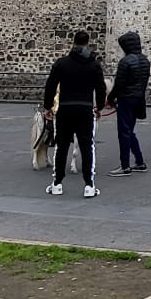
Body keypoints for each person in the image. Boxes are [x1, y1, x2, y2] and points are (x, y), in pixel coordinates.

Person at [43, 29, 108, 197]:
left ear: (73, 42)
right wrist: (99, 107)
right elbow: (101, 88)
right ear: (87, 43)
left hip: (65, 108)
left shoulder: (61, 63)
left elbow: (50, 86)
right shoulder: (94, 65)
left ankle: (57, 183)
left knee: (62, 146)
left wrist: (48, 106)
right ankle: (89, 185)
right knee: (87, 147)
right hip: (85, 109)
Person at [110, 29, 151, 176]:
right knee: (130, 131)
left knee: (124, 132)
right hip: (139, 98)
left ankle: (125, 165)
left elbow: (119, 84)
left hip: (126, 98)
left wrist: (110, 98)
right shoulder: (145, 61)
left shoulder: (125, 62)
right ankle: (139, 161)